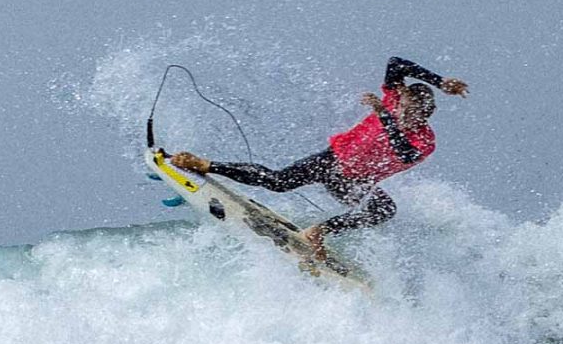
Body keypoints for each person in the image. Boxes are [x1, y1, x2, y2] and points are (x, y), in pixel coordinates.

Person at [171, 56, 468, 259]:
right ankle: (205, 165)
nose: (403, 113)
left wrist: (382, 113)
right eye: (402, 105)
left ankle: (318, 232)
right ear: (400, 98)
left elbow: (402, 150)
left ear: (427, 114)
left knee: (383, 210)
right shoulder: (392, 100)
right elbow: (395, 63)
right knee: (277, 181)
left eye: (412, 112)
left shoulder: (424, 140)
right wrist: (439, 81)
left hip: (355, 182)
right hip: (333, 161)